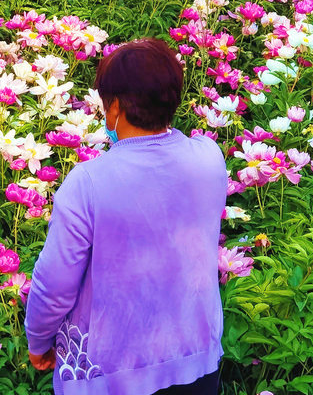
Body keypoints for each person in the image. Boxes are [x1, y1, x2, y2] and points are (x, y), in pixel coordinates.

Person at [24, 38, 226, 395]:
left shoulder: (87, 182)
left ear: (114, 107)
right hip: (196, 362)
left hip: (112, 376)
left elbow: (54, 283)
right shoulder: (209, 158)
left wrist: (39, 340)